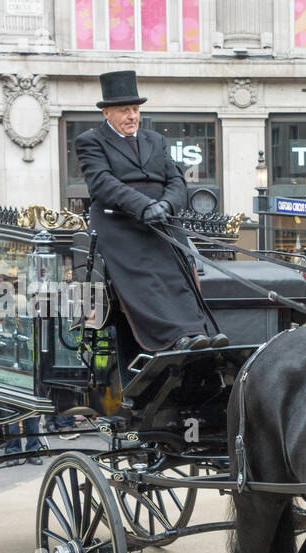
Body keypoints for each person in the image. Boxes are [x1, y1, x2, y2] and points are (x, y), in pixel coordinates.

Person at [74, 70, 224, 353]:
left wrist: (166, 205)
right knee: (147, 275)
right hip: (119, 222)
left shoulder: (154, 139)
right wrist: (144, 207)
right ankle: (172, 337)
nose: (132, 116)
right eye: (124, 110)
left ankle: (197, 331)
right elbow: (103, 184)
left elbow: (176, 179)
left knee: (179, 269)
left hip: (162, 219)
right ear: (107, 113)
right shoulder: (90, 141)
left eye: (135, 109)